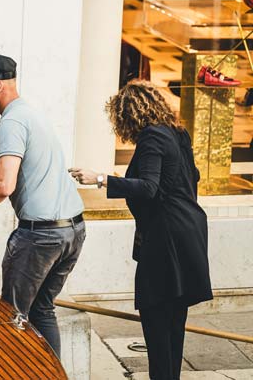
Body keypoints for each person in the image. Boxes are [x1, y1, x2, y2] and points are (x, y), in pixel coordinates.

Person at [70, 80, 212, 380]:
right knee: (174, 324)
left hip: (166, 240)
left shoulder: (152, 137)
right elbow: (190, 177)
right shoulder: (176, 133)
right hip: (190, 233)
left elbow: (148, 187)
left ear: (128, 114)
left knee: (157, 321)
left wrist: (101, 179)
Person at [0, 53, 85, 357]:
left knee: (11, 318)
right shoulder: (32, 113)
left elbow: (4, 185)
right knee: (43, 311)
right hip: (73, 231)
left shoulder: (12, 121)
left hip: (40, 236)